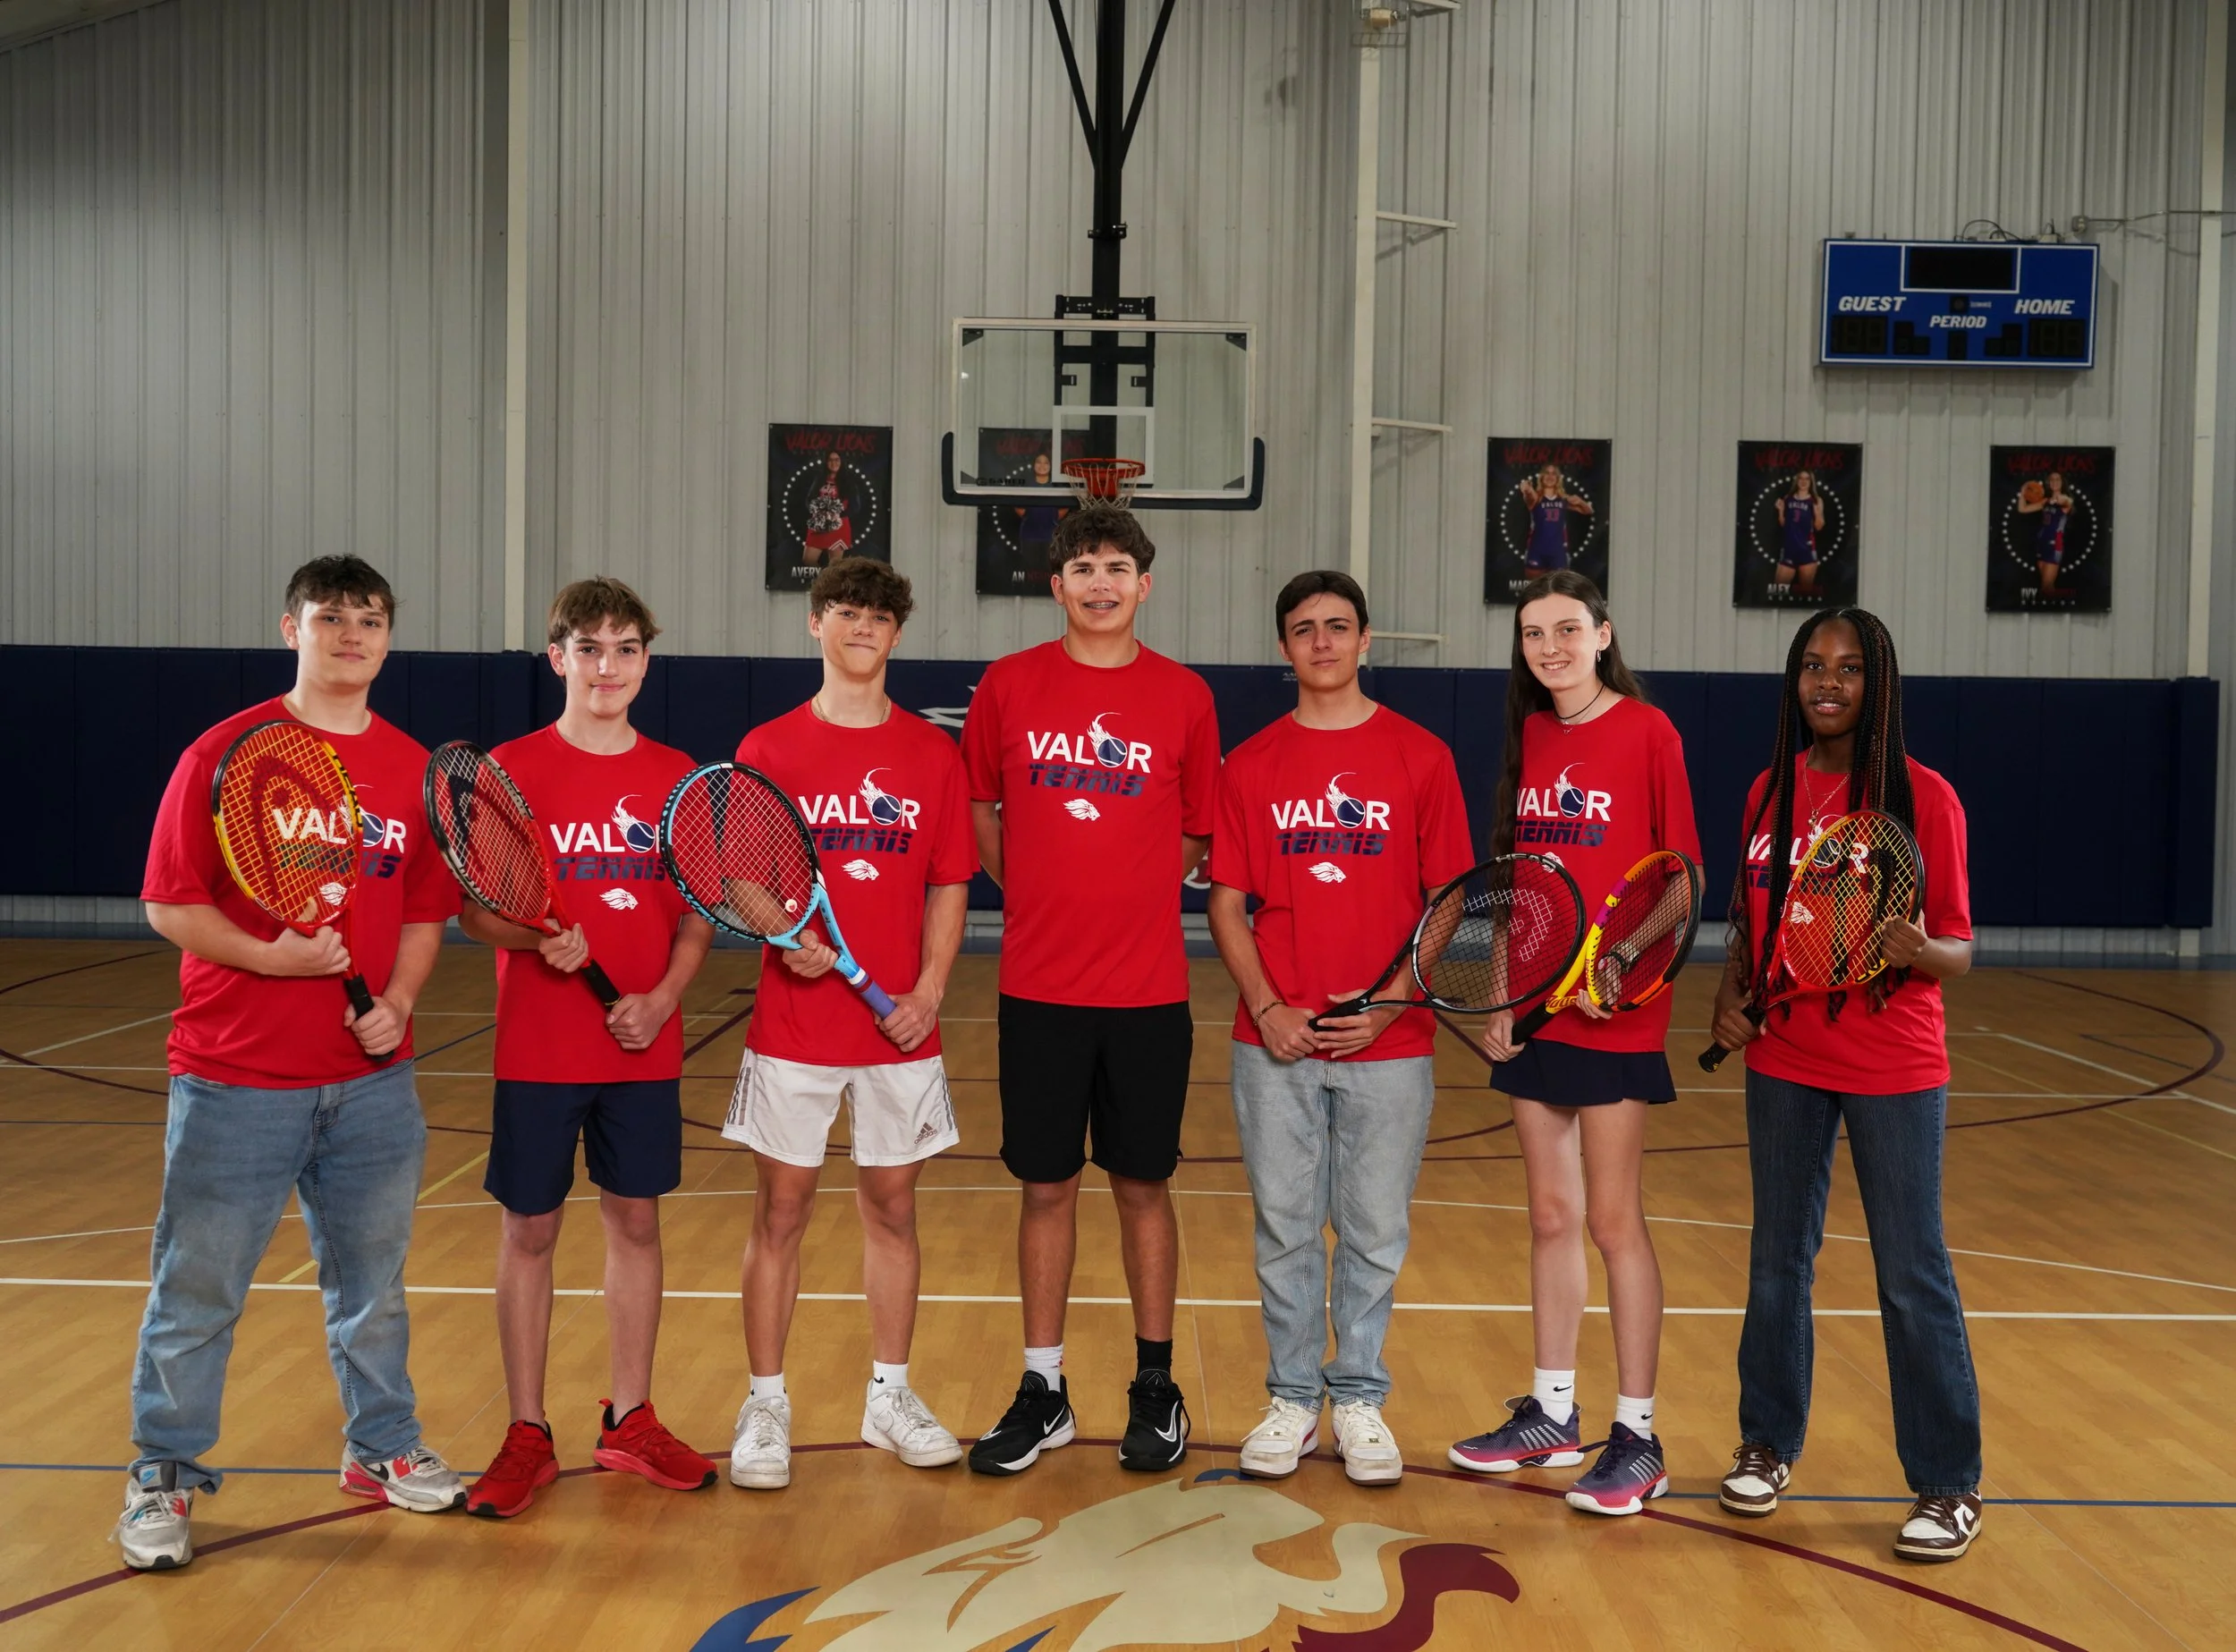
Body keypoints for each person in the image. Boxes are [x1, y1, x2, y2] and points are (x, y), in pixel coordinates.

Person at [121, 556, 466, 1571]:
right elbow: (170, 905)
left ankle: (382, 1448)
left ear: (389, 638)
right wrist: (271, 955)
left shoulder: (408, 764)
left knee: (375, 1287)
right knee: (199, 1290)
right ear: (291, 629)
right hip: (235, 1078)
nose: (350, 634)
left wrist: (397, 1003)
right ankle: (165, 1473)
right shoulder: (226, 751)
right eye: (330, 618)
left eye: (369, 619)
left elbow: (423, 910)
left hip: (370, 1085)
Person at [1709, 606, 1984, 1563]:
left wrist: (1921, 949)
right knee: (1777, 1259)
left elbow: (1957, 946)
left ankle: (1948, 1483)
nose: (1828, 681)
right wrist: (1730, 992)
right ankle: (1766, 1442)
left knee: (1912, 1274)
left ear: (1879, 684)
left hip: (1894, 1064)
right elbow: (1754, 922)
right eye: (1812, 666)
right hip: (1783, 1058)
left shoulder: (1922, 797)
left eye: (1850, 668)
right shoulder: (1765, 792)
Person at [959, 504, 1221, 1476]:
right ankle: (1043, 1387)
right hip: (1038, 984)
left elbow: (1197, 832)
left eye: (1118, 566)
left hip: (1147, 988)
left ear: (1144, 584)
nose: (1100, 581)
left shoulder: (1185, 696)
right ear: (1055, 584)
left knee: (1143, 1184)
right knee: (1045, 1186)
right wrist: (1029, 890)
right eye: (1083, 566)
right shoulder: (1009, 684)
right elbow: (982, 807)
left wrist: (1131, 888)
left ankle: (1154, 1384)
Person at [1207, 571, 1473, 1485]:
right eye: (1303, 629)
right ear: (1285, 649)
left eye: (1337, 626)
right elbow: (1228, 907)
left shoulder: (1422, 757)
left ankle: (1357, 1397)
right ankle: (1290, 1397)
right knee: (1283, 1228)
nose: (1321, 641)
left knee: (1369, 1229)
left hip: (1387, 1045)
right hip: (1272, 1042)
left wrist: (1391, 1001)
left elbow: (1447, 902)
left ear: (1366, 640)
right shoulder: (1248, 764)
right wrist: (1270, 1007)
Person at [458, 578, 716, 1519]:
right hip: (540, 1044)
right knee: (529, 1229)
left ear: (646, 659)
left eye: (626, 648)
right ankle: (527, 1430)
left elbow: (695, 919)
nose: (608, 667)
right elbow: (477, 909)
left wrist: (661, 999)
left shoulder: (678, 774)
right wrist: (534, 939)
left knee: (637, 1222)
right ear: (556, 655)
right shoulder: (509, 770)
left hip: (640, 1044)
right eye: (590, 647)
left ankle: (631, 1415)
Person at [1449, 569, 1699, 1518]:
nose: (1548, 646)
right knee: (1550, 1215)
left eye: (1565, 629)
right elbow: (1512, 875)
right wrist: (1496, 993)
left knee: (1610, 1219)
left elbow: (1680, 877)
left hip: (1614, 1010)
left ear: (1602, 634)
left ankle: (1637, 1433)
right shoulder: (1530, 735)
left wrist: (1622, 961)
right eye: (1531, 633)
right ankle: (1552, 1411)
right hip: (1535, 1008)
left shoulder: (1647, 730)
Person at [725, 557, 978, 1491]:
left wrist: (929, 989)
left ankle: (889, 1395)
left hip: (897, 1028)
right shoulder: (769, 746)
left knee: (893, 1206)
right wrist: (779, 931)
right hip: (793, 1023)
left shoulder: (930, 753)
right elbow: (744, 872)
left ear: (896, 634)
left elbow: (950, 880)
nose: (861, 626)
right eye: (844, 611)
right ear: (815, 624)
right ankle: (765, 1403)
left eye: (877, 615)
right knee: (780, 1210)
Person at [1520, 463, 1592, 572]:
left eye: (1553, 474)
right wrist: (1527, 490)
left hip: (1557, 551)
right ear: (1542, 477)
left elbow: (1588, 511)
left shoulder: (1563, 499)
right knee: (1536, 587)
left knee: (1559, 587)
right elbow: (1529, 496)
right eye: (1547, 473)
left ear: (1558, 478)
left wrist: (1581, 502)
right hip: (1537, 550)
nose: (1550, 477)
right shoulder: (1537, 498)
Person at [2016, 470, 2071, 596]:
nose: (2055, 482)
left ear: (2062, 483)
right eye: (2052, 479)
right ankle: (2050, 610)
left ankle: (2053, 612)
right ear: (2048, 483)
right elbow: (2022, 509)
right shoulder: (2044, 501)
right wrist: (2024, 491)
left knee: (2047, 585)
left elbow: (2064, 501)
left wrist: (2057, 499)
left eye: (2058, 479)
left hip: (2055, 544)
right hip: (2042, 543)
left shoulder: (2066, 500)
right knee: (2045, 586)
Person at [803, 451, 859, 567]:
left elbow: (856, 506)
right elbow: (809, 499)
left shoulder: (849, 480)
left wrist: (837, 515)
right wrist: (816, 511)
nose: (834, 463)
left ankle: (828, 584)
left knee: (835, 567)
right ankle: (819, 583)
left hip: (838, 527)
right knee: (808, 561)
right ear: (826, 462)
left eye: (837, 460)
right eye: (830, 460)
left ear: (841, 462)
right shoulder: (820, 478)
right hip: (818, 525)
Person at [1774, 470, 1825, 593]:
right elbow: (1783, 524)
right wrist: (1780, 511)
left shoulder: (1816, 500)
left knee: (1805, 593)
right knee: (1777, 591)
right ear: (1796, 481)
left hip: (1806, 549)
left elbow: (1819, 527)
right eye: (1800, 478)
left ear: (1811, 482)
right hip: (1789, 549)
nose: (1803, 481)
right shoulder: (1788, 499)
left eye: (1807, 479)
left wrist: (1817, 513)